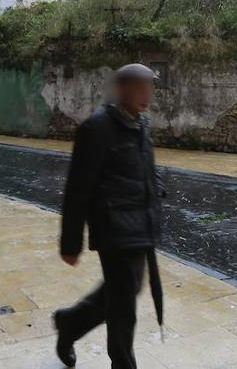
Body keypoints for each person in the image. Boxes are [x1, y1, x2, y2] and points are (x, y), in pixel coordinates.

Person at [54, 63, 166, 369]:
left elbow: (146, 169)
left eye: (150, 88)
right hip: (113, 230)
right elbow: (78, 190)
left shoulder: (141, 124)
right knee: (123, 307)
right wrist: (70, 243)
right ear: (122, 90)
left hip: (140, 225)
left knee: (127, 291)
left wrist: (156, 190)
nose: (147, 95)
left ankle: (70, 322)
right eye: (139, 89)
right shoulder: (96, 129)